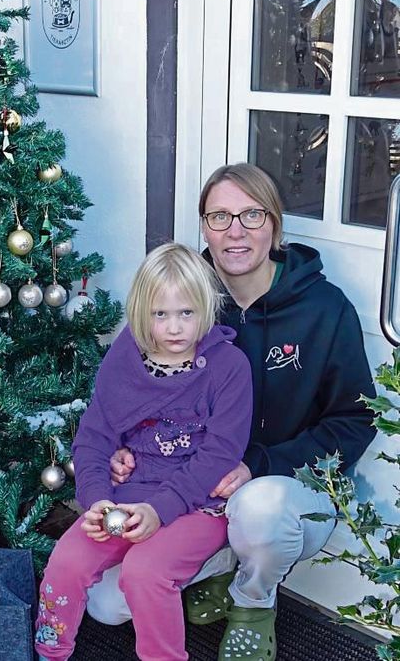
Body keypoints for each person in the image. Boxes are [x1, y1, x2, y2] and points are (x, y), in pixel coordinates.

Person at [97, 163, 377, 661]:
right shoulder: (183, 302)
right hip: (193, 489)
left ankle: (253, 601)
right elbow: (132, 391)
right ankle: (220, 569)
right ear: (203, 226)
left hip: (284, 489)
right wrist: (122, 446)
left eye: (252, 214)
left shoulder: (325, 309)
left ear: (275, 224)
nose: (236, 231)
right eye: (219, 217)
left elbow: (354, 420)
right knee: (105, 606)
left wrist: (258, 465)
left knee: (259, 508)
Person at [34, 243, 252, 661]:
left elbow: (220, 454)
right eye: (160, 315)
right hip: (125, 497)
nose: (174, 328)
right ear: (142, 313)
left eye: (186, 313)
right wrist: (95, 500)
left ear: (205, 308)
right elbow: (94, 435)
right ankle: (50, 652)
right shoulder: (126, 356)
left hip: (195, 505)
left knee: (146, 572)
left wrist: (161, 509)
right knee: (66, 560)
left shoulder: (229, 367)